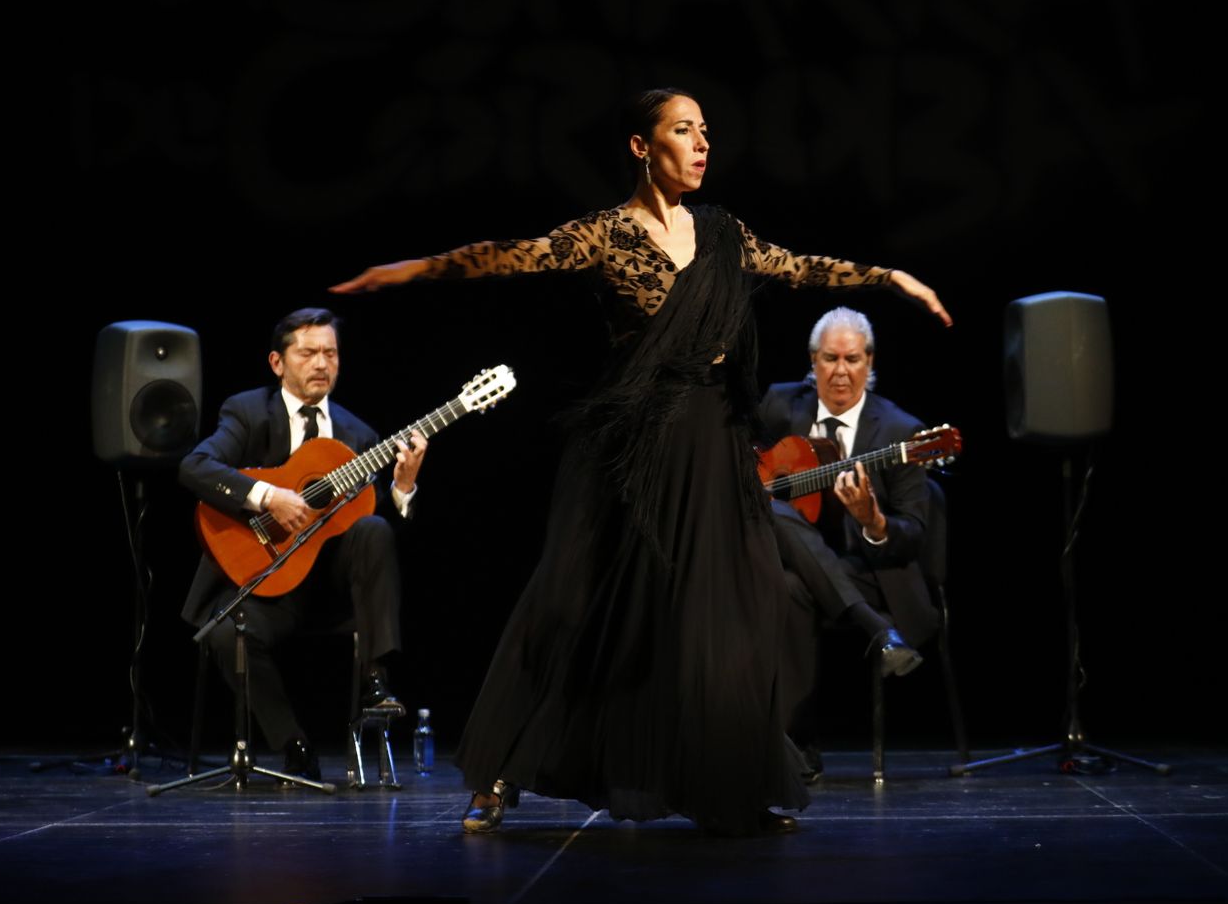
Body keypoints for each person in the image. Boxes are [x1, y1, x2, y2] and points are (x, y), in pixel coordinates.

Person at [332, 88, 951, 835]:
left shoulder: (723, 233)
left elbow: (801, 267)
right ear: (641, 146)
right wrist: (415, 270)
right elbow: (516, 257)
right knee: (571, 602)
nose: (700, 144)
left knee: (716, 619)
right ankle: (502, 771)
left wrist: (894, 279)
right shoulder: (608, 233)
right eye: (683, 131)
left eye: (705, 132)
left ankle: (731, 787)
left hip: (714, 440)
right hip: (633, 443)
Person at [178, 307, 427, 781]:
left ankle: (377, 681)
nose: (321, 363)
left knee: (374, 529)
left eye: (330, 353)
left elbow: (392, 549)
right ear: (278, 363)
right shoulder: (248, 411)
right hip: (268, 581)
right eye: (308, 352)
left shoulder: (359, 437)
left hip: (335, 592)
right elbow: (195, 467)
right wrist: (268, 496)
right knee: (227, 633)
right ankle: (294, 746)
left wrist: (404, 488)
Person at [760, 306, 938, 781]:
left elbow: (914, 535)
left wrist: (873, 520)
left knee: (791, 586)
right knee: (774, 516)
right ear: (813, 361)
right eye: (830, 358)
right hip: (789, 561)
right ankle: (874, 633)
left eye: (853, 359)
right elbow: (739, 465)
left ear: (870, 362)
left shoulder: (903, 432)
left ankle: (792, 745)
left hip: (869, 571)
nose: (841, 372)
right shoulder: (780, 406)